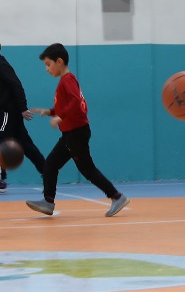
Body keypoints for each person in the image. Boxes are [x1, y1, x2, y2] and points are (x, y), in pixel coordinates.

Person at [23, 43, 129, 218]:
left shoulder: (67, 80)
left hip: (76, 133)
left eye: (48, 64)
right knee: (50, 164)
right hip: (70, 134)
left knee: (87, 170)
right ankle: (48, 202)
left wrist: (60, 116)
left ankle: (117, 197)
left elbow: (75, 104)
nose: (47, 69)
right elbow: (67, 105)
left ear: (59, 61)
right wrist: (50, 112)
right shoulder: (66, 81)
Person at [0, 36, 47, 192]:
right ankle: (47, 173)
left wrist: (23, 108)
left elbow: (17, 85)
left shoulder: (1, 67)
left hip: (8, 112)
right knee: (26, 145)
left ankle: (0, 180)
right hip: (11, 112)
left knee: (0, 143)